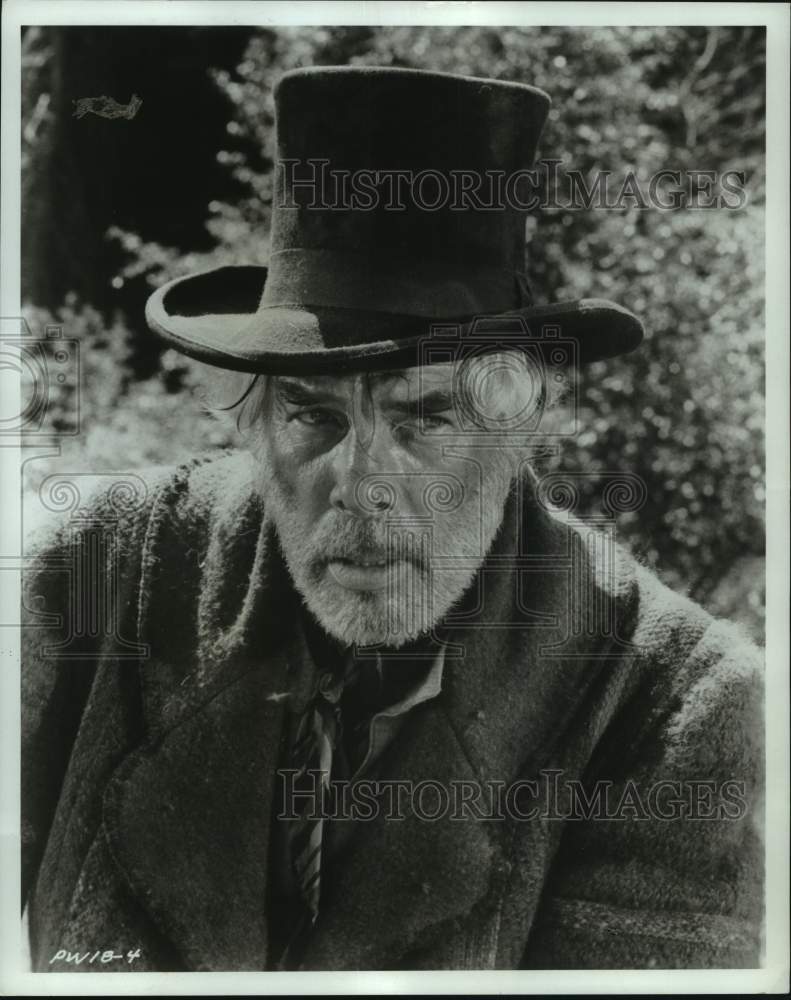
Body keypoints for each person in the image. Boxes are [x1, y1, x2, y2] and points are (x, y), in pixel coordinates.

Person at [21, 65, 763, 972]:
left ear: (513, 429)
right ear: (253, 423)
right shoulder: (101, 575)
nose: (362, 481)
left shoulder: (674, 708)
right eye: (313, 414)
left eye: (425, 418)